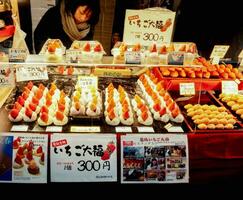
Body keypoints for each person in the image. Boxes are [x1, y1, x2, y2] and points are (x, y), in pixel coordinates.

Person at [34, 0, 100, 53]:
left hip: (77, 64)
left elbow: (86, 47)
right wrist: (46, 54)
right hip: (54, 61)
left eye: (88, 16)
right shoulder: (54, 14)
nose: (83, 18)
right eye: (81, 13)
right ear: (74, 5)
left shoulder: (88, 24)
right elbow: (39, 36)